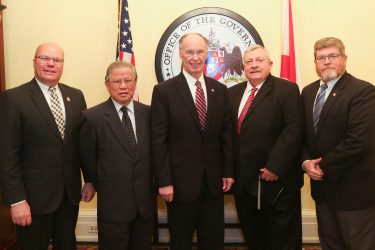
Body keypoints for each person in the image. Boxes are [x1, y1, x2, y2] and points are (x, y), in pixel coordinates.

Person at [0, 42, 95, 249]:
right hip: (32, 200)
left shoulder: (76, 96)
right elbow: (7, 155)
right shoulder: (14, 98)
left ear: (62, 64)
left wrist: (88, 179)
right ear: (34, 62)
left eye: (57, 60)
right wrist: (17, 201)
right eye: (45, 58)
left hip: (69, 196)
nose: (51, 64)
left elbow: (82, 144)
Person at [151, 32, 234, 250]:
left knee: (213, 241)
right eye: (190, 52)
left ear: (206, 54)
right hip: (178, 185)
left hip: (213, 184)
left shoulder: (220, 90)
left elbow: (226, 135)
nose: (195, 57)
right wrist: (164, 181)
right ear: (180, 53)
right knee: (180, 242)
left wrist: (228, 171)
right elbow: (158, 140)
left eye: (199, 52)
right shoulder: (164, 91)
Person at [301, 37, 375, 250]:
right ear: (315, 62)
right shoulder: (308, 92)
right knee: (330, 245)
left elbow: (359, 141)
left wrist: (322, 167)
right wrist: (306, 162)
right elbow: (304, 136)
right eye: (321, 58)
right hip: (323, 193)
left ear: (344, 59)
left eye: (332, 56)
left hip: (354, 194)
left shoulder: (363, 91)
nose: (326, 62)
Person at [228, 44, 303, 250]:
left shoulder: (286, 89)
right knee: (254, 238)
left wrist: (275, 166)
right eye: (249, 62)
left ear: (270, 64)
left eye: (259, 60)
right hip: (244, 184)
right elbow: (228, 135)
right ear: (243, 67)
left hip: (277, 181)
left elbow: (293, 130)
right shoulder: (232, 94)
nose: (254, 65)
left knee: (281, 240)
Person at [79, 61, 155, 250]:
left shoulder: (149, 113)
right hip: (113, 205)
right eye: (117, 81)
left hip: (144, 205)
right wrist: (93, 181)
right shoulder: (92, 117)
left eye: (128, 80)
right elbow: (88, 158)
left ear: (135, 82)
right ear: (107, 84)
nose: (123, 86)